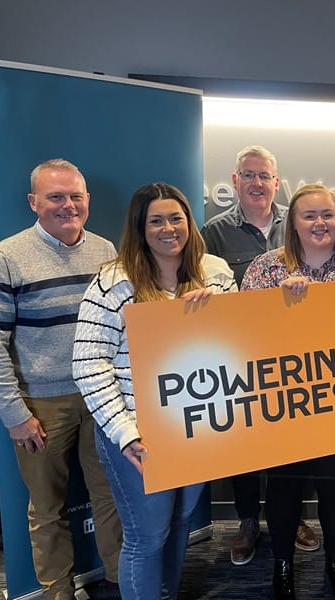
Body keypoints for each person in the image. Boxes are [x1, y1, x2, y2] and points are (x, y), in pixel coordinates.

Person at [72, 183, 236, 599]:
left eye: (176, 218)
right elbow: (89, 363)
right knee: (147, 537)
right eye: (156, 221)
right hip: (138, 434)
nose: (168, 229)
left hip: (195, 427)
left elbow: (238, 341)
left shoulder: (214, 273)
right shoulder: (113, 281)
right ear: (140, 228)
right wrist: (126, 433)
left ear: (189, 222)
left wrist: (216, 312)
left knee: (180, 523)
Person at [0, 158, 122, 600]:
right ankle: (57, 593)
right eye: (55, 197)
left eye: (75, 196)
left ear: (87, 200)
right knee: (46, 510)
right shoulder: (4, 258)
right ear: (34, 202)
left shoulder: (107, 252)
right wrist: (14, 414)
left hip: (102, 396)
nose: (68, 205)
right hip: (40, 405)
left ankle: (123, 582)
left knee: (112, 498)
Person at [242, 183, 335, 600]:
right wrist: (278, 306)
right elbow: (243, 331)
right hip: (283, 403)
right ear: (293, 223)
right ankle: (282, 565)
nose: (320, 223)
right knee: (283, 488)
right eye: (309, 216)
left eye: (327, 215)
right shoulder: (265, 269)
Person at [201, 145, 319, 564]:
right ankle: (248, 521)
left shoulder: (301, 221)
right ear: (235, 181)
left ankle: (294, 518)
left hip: (296, 354)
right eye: (247, 175)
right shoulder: (214, 231)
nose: (256, 183)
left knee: (294, 446)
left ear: (277, 181)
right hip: (242, 354)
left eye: (263, 175)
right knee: (245, 447)